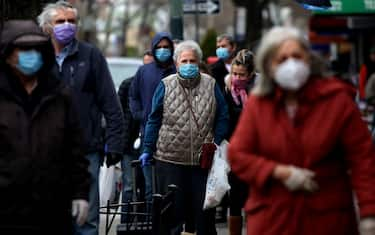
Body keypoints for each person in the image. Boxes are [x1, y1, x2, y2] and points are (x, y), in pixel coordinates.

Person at [228, 26, 375, 235]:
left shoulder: (336, 101)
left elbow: (363, 159)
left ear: (309, 59)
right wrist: (278, 172)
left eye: (297, 56)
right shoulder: (259, 104)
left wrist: (369, 213)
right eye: (282, 58)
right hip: (273, 219)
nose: (291, 64)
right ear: (270, 66)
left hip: (328, 219)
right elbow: (238, 155)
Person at [38, 2, 125, 235]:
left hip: (86, 152)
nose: (67, 26)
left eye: (71, 21)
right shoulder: (36, 57)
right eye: (60, 21)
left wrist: (115, 143)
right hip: (45, 153)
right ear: (47, 27)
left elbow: (110, 102)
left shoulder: (91, 55)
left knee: (86, 220)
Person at [0, 19, 90, 235]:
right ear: (8, 54)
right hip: (5, 211)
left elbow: (75, 149)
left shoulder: (60, 95)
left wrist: (80, 193)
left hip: (51, 211)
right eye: (23, 49)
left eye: (35, 49)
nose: (30, 54)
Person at [139, 40, 229, 235]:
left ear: (199, 62)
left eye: (193, 61)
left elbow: (223, 116)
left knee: (204, 218)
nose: (189, 64)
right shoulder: (165, 85)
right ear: (177, 63)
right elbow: (153, 119)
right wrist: (147, 148)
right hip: (170, 161)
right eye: (184, 60)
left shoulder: (211, 84)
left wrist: (215, 141)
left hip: (202, 164)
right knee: (171, 217)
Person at [129, 32, 176, 202]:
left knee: (170, 187)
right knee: (150, 186)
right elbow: (133, 96)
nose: (163, 50)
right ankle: (153, 225)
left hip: (173, 137)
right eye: (159, 47)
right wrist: (140, 115)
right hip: (147, 135)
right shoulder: (143, 71)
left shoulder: (178, 69)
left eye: (166, 47)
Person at [117, 51, 154, 223]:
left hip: (149, 145)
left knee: (149, 187)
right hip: (130, 144)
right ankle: (125, 224)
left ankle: (149, 223)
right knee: (129, 188)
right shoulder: (127, 85)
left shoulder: (158, 86)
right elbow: (119, 115)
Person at [224, 49, 256, 235]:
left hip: (256, 151)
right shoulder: (228, 90)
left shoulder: (259, 90)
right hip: (235, 150)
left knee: (254, 197)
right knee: (235, 198)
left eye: (241, 75)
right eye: (234, 73)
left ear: (251, 74)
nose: (237, 78)